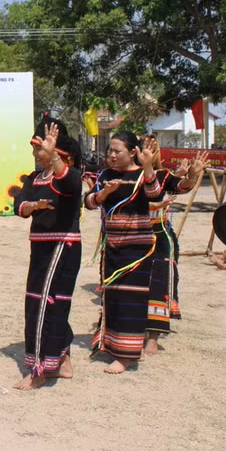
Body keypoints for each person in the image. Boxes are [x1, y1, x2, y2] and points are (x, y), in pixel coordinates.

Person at [13, 117, 83, 390]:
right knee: (42, 300)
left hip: (62, 246)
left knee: (45, 304)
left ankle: (39, 370)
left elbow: (70, 186)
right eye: (36, 150)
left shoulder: (70, 176)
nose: (36, 155)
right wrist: (31, 205)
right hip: (40, 246)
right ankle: (62, 359)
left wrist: (54, 156)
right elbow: (19, 206)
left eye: (40, 150)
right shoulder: (34, 178)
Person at [85, 131, 162, 374]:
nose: (111, 155)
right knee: (113, 297)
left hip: (137, 250)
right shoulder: (104, 175)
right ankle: (112, 345)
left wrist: (148, 167)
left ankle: (127, 355)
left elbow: (156, 195)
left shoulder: (142, 175)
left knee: (131, 300)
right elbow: (88, 202)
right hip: (112, 247)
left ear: (132, 152)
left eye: (117, 151)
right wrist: (105, 193)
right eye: (109, 150)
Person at [143, 136, 209, 354]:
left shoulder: (163, 176)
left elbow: (182, 186)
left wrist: (191, 174)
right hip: (129, 236)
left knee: (158, 283)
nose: (146, 151)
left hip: (158, 237)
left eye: (150, 148)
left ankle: (153, 335)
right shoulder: (125, 176)